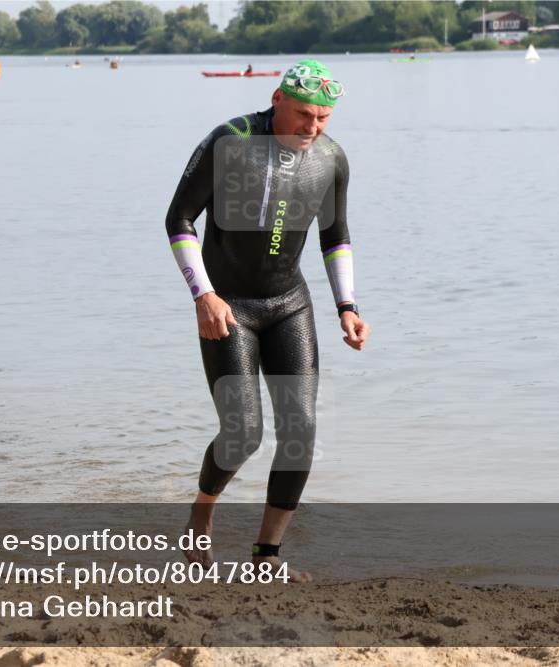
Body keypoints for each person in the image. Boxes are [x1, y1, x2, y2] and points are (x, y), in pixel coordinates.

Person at [165, 60, 369, 582]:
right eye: (303, 114)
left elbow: (335, 235)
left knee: (299, 431)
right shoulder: (229, 141)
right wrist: (203, 295)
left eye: (323, 117)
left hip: (287, 305)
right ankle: (202, 511)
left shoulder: (331, 159)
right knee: (243, 433)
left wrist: (347, 307)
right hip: (227, 305)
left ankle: (266, 557)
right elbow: (179, 218)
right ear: (277, 99)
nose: (313, 127)